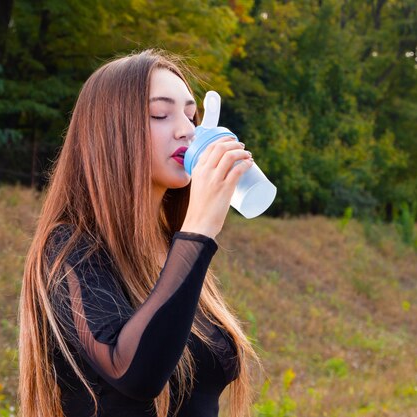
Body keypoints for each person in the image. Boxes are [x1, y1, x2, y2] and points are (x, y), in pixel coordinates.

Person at [18, 49, 261, 417]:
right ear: (111, 133)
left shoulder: (169, 246)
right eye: (160, 114)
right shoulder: (70, 250)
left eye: (191, 115)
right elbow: (134, 373)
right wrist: (198, 230)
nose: (187, 129)